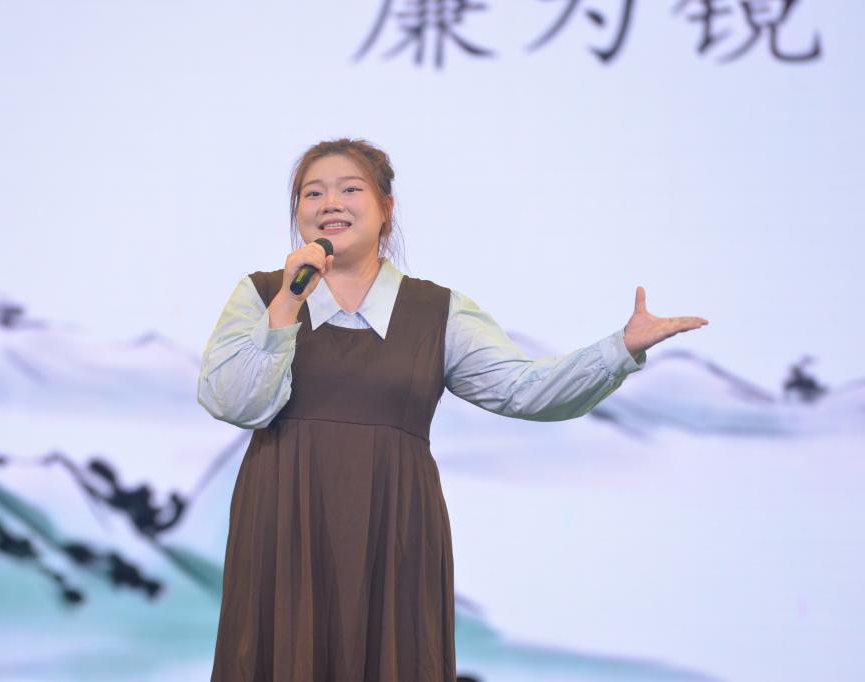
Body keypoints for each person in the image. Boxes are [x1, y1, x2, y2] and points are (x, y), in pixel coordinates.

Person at [197, 138, 709, 682]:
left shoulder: (437, 311)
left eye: (350, 189)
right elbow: (231, 401)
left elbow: (523, 388)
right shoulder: (263, 295)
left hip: (393, 526)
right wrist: (286, 306)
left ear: (386, 207)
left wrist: (620, 349)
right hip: (282, 521)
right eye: (313, 193)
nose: (331, 204)